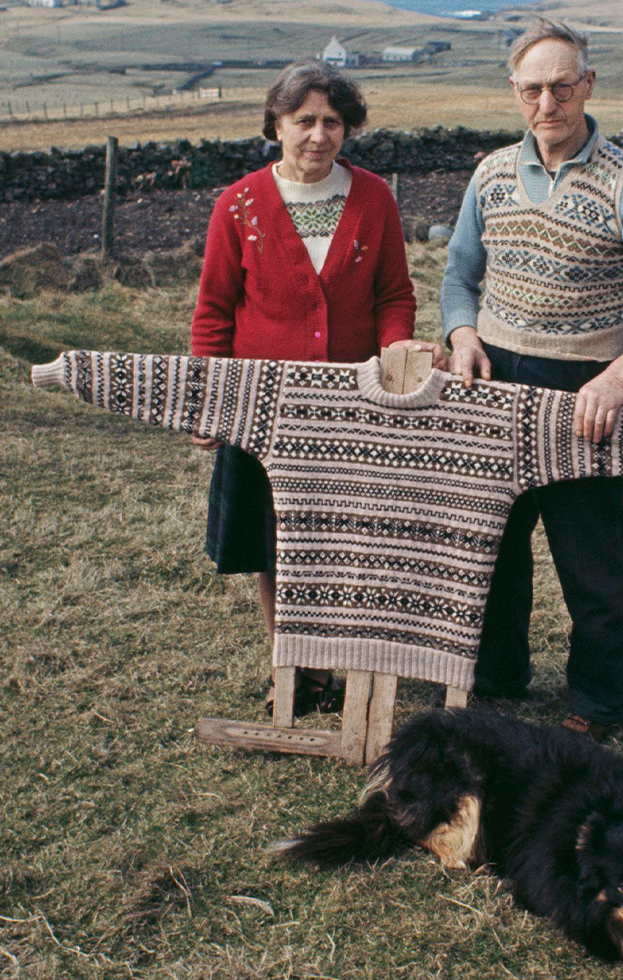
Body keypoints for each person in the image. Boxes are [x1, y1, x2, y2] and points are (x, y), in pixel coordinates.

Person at [440, 20, 623, 740]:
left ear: (588, 85)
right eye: (533, 88)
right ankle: (494, 676)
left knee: (598, 560)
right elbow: (458, 277)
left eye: (562, 85)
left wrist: (620, 375)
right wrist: (462, 333)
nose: (548, 102)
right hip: (492, 383)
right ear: (514, 92)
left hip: (585, 391)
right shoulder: (490, 174)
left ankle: (596, 703)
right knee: (488, 545)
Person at [191, 60, 443, 716]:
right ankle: (290, 666)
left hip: (351, 405)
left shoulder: (374, 199)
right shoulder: (239, 206)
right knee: (272, 540)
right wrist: (209, 400)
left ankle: (337, 663)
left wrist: (395, 355)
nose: (319, 135)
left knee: (342, 538)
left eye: (333, 121)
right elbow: (215, 311)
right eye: (304, 120)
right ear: (276, 124)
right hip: (261, 408)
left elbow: (394, 293)